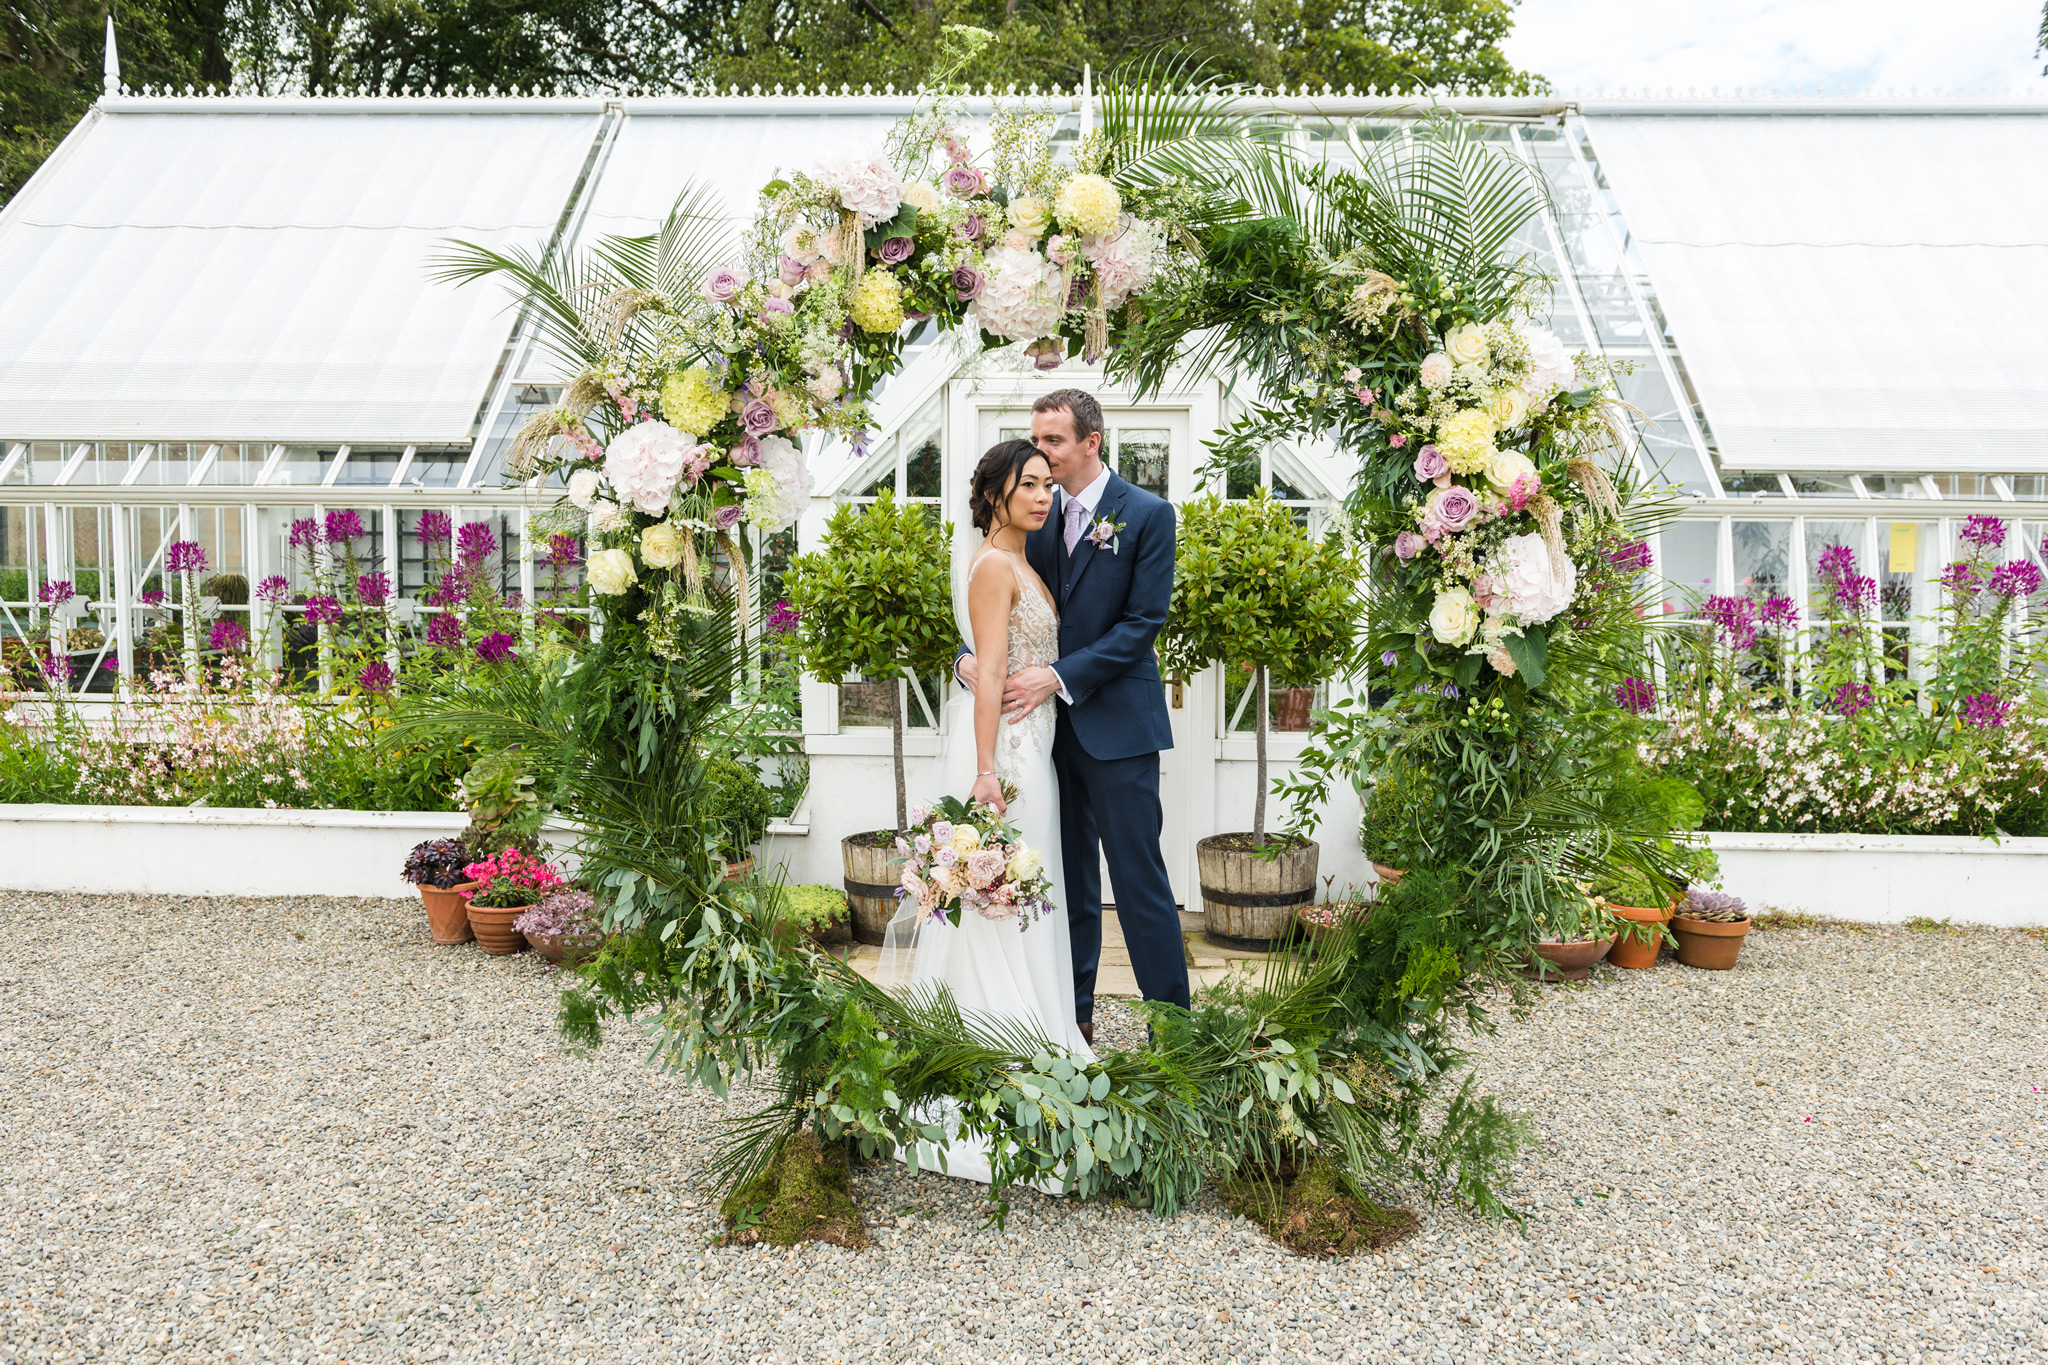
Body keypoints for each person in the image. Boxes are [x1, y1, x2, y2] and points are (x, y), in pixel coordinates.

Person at [956, 389, 1189, 1046]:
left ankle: (1173, 1033)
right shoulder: (1034, 511)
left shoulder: (1147, 514)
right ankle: (1073, 1020)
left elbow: (1143, 623)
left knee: (1140, 881)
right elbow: (997, 605)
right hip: (1049, 740)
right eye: (1035, 438)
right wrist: (964, 660)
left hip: (1118, 730)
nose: (1042, 453)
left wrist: (1057, 676)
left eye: (1054, 440)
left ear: (1092, 441)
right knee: (1068, 885)